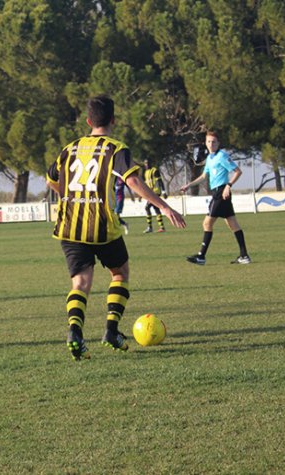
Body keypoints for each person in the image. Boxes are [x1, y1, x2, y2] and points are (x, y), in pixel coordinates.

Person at [46, 96, 186, 361]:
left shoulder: (69, 148)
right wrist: (165, 207)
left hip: (69, 226)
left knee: (81, 282)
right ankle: (111, 330)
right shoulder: (115, 148)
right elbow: (132, 181)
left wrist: (72, 198)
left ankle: (75, 332)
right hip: (100, 225)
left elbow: (52, 179)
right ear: (113, 120)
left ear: (88, 121)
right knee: (120, 273)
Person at [180, 131, 251, 265]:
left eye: (214, 142)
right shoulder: (210, 158)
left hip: (221, 193)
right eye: (208, 142)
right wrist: (189, 185)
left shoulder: (222, 156)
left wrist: (228, 186)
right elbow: (204, 176)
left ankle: (201, 256)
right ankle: (244, 256)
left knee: (207, 223)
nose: (211, 144)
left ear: (218, 143)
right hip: (218, 192)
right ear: (205, 143)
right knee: (232, 224)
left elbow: (238, 171)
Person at [142, 159, 168, 233]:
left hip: (155, 192)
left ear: (150, 163)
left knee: (147, 207)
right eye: (145, 163)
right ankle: (162, 227)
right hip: (150, 193)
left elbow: (160, 181)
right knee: (156, 209)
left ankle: (150, 227)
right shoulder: (146, 172)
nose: (146, 164)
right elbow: (145, 184)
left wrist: (163, 191)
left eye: (147, 163)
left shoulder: (154, 170)